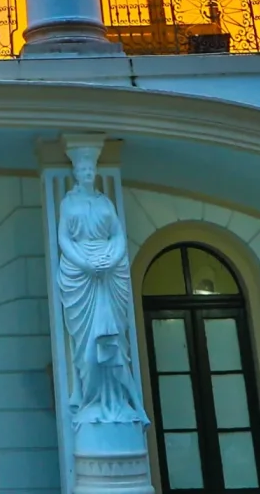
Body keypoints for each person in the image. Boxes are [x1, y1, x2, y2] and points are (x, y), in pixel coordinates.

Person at [57, 146, 148, 426]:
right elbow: (63, 239)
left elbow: (118, 235)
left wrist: (111, 258)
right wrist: (84, 263)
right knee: (87, 350)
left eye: (90, 169)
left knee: (115, 344)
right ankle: (88, 399)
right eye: (83, 169)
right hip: (81, 275)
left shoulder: (105, 203)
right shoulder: (68, 203)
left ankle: (123, 403)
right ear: (75, 172)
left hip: (109, 273)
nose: (87, 173)